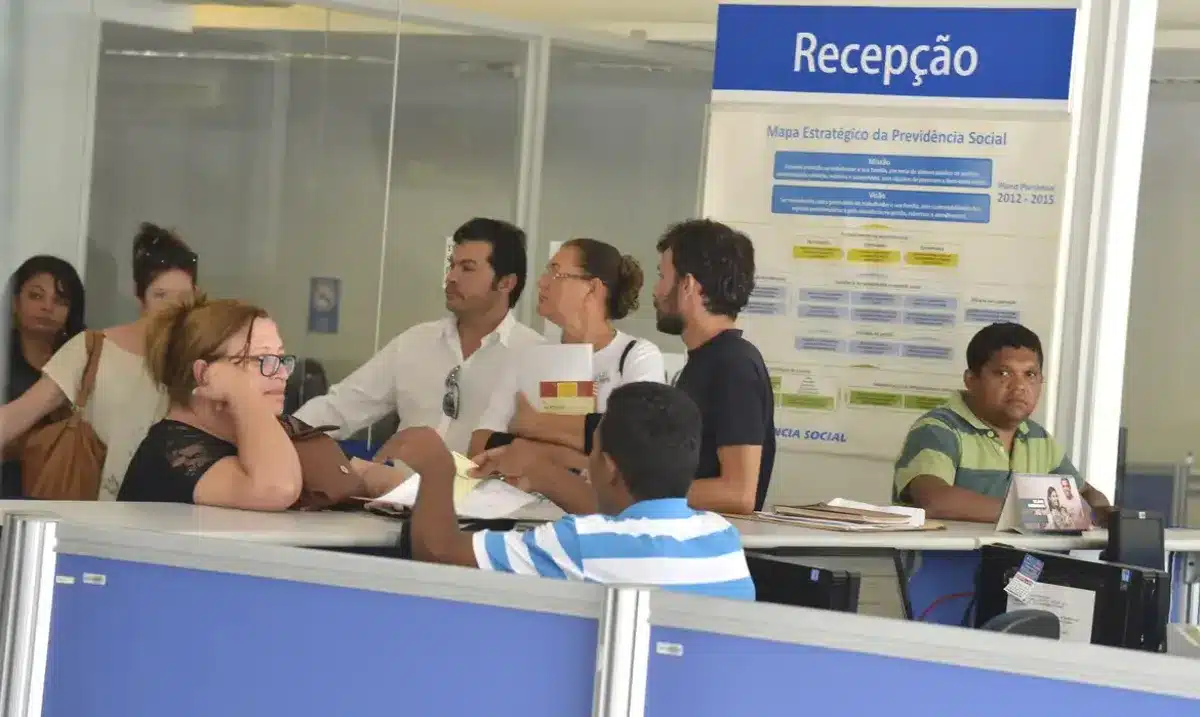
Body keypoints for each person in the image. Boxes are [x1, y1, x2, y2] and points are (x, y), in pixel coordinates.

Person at [477, 220, 775, 516]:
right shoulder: (702, 363)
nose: (656, 291)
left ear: (687, 286)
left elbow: (739, 493)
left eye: (662, 276)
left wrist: (635, 492)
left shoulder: (733, 365)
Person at [409, 381, 754, 600]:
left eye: (593, 454)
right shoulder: (722, 539)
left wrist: (435, 464)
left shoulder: (581, 542)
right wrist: (538, 470)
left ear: (610, 467)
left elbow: (438, 550)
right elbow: (621, 525)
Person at [294, 218, 543, 458]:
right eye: (451, 265)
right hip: (396, 495)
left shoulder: (535, 356)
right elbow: (342, 406)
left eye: (467, 268)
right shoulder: (416, 342)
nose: (451, 277)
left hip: (484, 499)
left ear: (506, 283)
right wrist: (283, 433)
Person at [0, 223, 198, 499]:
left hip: (165, 516)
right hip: (92, 515)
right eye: (161, 295)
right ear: (140, 297)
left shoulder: (199, 362)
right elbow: (21, 412)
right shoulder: (93, 348)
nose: (172, 308)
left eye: (183, 297)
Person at [894, 322, 1111, 524]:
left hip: (1020, 564)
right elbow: (936, 501)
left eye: (1030, 374)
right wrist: (1040, 512)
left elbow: (1086, 495)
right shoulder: (938, 429)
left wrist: (1102, 512)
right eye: (1004, 373)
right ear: (971, 380)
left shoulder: (1038, 438)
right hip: (944, 564)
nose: (1019, 386)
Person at [469, 238, 665, 457]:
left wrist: (533, 423)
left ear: (592, 288)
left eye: (556, 273)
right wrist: (579, 439)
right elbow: (479, 443)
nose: (542, 282)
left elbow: (634, 445)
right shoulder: (529, 355)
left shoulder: (637, 356)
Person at [119, 296, 303, 508]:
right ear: (204, 374)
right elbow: (278, 488)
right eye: (263, 360)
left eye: (281, 359)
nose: (282, 374)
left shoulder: (236, 434)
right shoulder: (171, 451)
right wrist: (241, 391)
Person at [1, 256, 86, 497]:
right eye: (36, 296)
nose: (47, 307)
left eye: (60, 300)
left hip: (64, 489)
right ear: (15, 302)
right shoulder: (3, 357)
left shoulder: (84, 361)